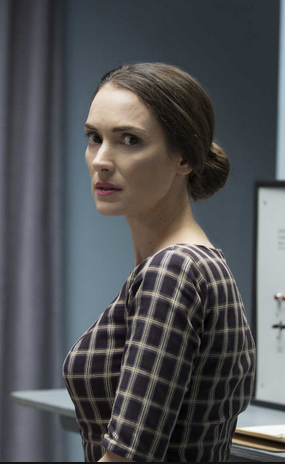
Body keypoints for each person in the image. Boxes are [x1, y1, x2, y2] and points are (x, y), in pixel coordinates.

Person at [63, 62, 256, 462]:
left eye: (129, 140)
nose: (100, 160)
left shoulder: (174, 271)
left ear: (183, 157)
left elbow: (126, 458)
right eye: (94, 138)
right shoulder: (197, 263)